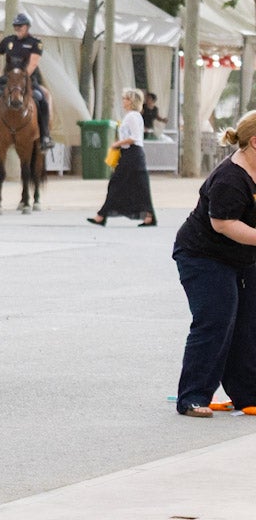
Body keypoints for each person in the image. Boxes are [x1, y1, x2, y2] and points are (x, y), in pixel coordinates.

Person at [173, 111, 256, 418]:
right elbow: (223, 224)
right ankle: (192, 396)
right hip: (203, 255)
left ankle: (247, 394)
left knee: (248, 322)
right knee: (217, 318)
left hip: (243, 256)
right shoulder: (230, 178)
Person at [0, 13, 54, 152]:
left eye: (20, 25)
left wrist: (22, 79)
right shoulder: (8, 41)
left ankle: (45, 137)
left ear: (27, 27)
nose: (17, 28)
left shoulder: (35, 43)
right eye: (16, 25)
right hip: (8, 81)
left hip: (28, 81)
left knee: (42, 101)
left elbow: (33, 63)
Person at [88, 88, 157, 228]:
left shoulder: (132, 116)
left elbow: (134, 137)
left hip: (132, 154)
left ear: (131, 101)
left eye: (125, 99)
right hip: (131, 154)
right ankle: (149, 216)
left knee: (116, 183)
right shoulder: (133, 116)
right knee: (139, 185)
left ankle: (101, 215)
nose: (123, 101)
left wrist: (117, 144)